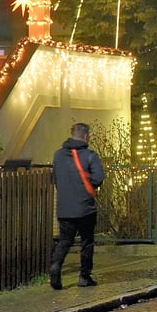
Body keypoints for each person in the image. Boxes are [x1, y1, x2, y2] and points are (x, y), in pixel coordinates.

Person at [49, 122, 105, 290]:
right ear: (86, 136)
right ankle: (84, 276)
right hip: (85, 208)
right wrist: (88, 185)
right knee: (87, 241)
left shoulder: (58, 155)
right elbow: (99, 178)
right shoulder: (90, 155)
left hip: (64, 208)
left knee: (64, 241)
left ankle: (56, 266)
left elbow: (56, 179)